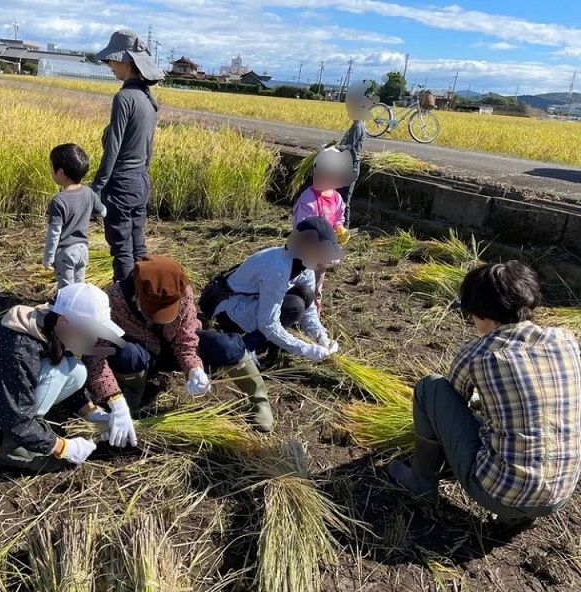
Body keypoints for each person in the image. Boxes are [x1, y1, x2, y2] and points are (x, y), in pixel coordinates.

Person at [388, 261, 581, 529]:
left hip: (498, 492)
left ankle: (421, 482)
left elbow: (452, 404)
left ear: (482, 315)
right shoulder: (566, 340)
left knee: (429, 388)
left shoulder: (479, 353)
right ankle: (518, 515)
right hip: (560, 493)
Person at [84, 255, 274, 431]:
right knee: (126, 353)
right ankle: (132, 395)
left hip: (174, 349)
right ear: (137, 292)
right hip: (141, 356)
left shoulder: (183, 292)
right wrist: (113, 399)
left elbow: (186, 338)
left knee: (227, 346)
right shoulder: (112, 300)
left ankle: (259, 401)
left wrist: (194, 369)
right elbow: (96, 354)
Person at [0, 283, 134, 473]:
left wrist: (92, 412)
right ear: (64, 322)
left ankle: (27, 434)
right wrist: (63, 447)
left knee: (76, 370)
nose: (93, 340)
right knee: (56, 369)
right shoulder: (19, 350)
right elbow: (17, 421)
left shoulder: (50, 326)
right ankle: (18, 450)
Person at [201, 217, 343, 363]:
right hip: (229, 309)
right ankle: (247, 347)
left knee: (305, 294)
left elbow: (309, 310)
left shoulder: (305, 267)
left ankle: (261, 340)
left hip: (253, 301)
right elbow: (267, 323)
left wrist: (321, 336)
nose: (324, 261)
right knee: (294, 306)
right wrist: (305, 349)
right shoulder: (277, 269)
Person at [91, 29, 165, 282]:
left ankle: (123, 305)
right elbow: (149, 149)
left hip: (121, 184)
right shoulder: (149, 99)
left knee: (122, 250)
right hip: (140, 182)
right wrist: (142, 177)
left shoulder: (124, 98)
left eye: (112, 60)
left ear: (126, 61)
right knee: (138, 245)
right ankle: (143, 300)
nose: (110, 65)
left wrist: (97, 187)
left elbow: (113, 148)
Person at [293, 147, 351, 313]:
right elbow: (304, 227)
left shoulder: (336, 198)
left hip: (323, 251)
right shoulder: (309, 199)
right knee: (302, 284)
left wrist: (339, 228)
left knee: (318, 284)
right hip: (307, 252)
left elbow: (339, 217)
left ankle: (314, 313)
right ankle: (297, 312)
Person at [43, 144, 107, 288]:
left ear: (60, 172)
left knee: (66, 292)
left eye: (51, 167)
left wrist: (48, 258)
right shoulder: (89, 193)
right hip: (83, 250)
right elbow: (103, 212)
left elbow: (54, 233)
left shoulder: (59, 201)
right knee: (79, 289)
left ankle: (64, 311)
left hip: (66, 253)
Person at [336, 119, 366, 228]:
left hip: (351, 166)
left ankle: (344, 228)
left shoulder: (358, 126)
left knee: (344, 199)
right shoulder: (356, 125)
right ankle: (337, 225)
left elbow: (348, 145)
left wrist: (334, 148)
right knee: (338, 197)